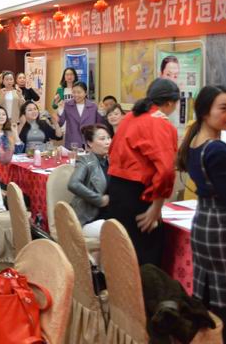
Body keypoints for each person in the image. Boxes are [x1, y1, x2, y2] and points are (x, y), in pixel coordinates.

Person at [108, 78, 180, 266]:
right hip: (137, 194)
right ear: (170, 103)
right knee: (146, 256)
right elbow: (166, 171)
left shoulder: (130, 117)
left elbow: (112, 150)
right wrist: (156, 208)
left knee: (122, 252)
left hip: (116, 189)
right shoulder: (160, 124)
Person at [176, 85, 226, 336]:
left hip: (204, 222)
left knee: (207, 288)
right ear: (205, 112)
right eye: (223, 108)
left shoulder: (195, 142)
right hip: (220, 225)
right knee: (221, 293)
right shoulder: (216, 149)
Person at [67, 124, 111, 238]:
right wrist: (99, 199)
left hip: (109, 215)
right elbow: (73, 184)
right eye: (102, 139)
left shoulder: (111, 161)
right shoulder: (85, 161)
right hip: (89, 219)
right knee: (114, 231)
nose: (107, 142)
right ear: (90, 143)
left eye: (108, 138)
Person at [58, 81, 104, 149]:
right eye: (74, 92)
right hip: (72, 143)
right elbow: (60, 123)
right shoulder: (67, 105)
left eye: (79, 92)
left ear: (85, 93)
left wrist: (101, 112)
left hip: (89, 143)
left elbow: (99, 124)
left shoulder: (93, 106)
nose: (76, 95)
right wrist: (60, 110)